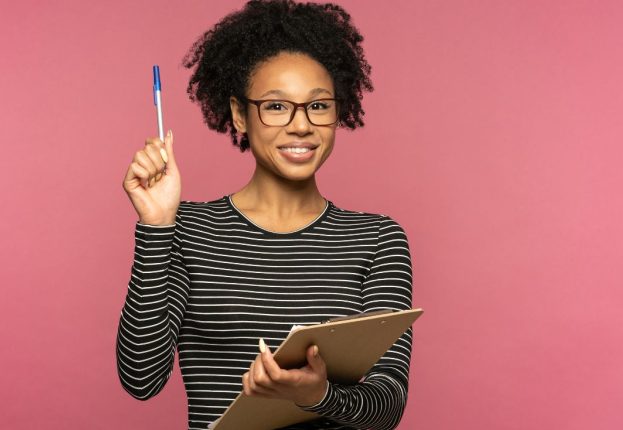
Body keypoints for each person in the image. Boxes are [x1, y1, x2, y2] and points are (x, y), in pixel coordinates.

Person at [116, 1, 414, 429]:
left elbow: (388, 406)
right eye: (276, 107)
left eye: (318, 105)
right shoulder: (188, 231)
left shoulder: (378, 239)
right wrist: (156, 228)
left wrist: (318, 396)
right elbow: (140, 379)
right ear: (240, 114)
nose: (301, 126)